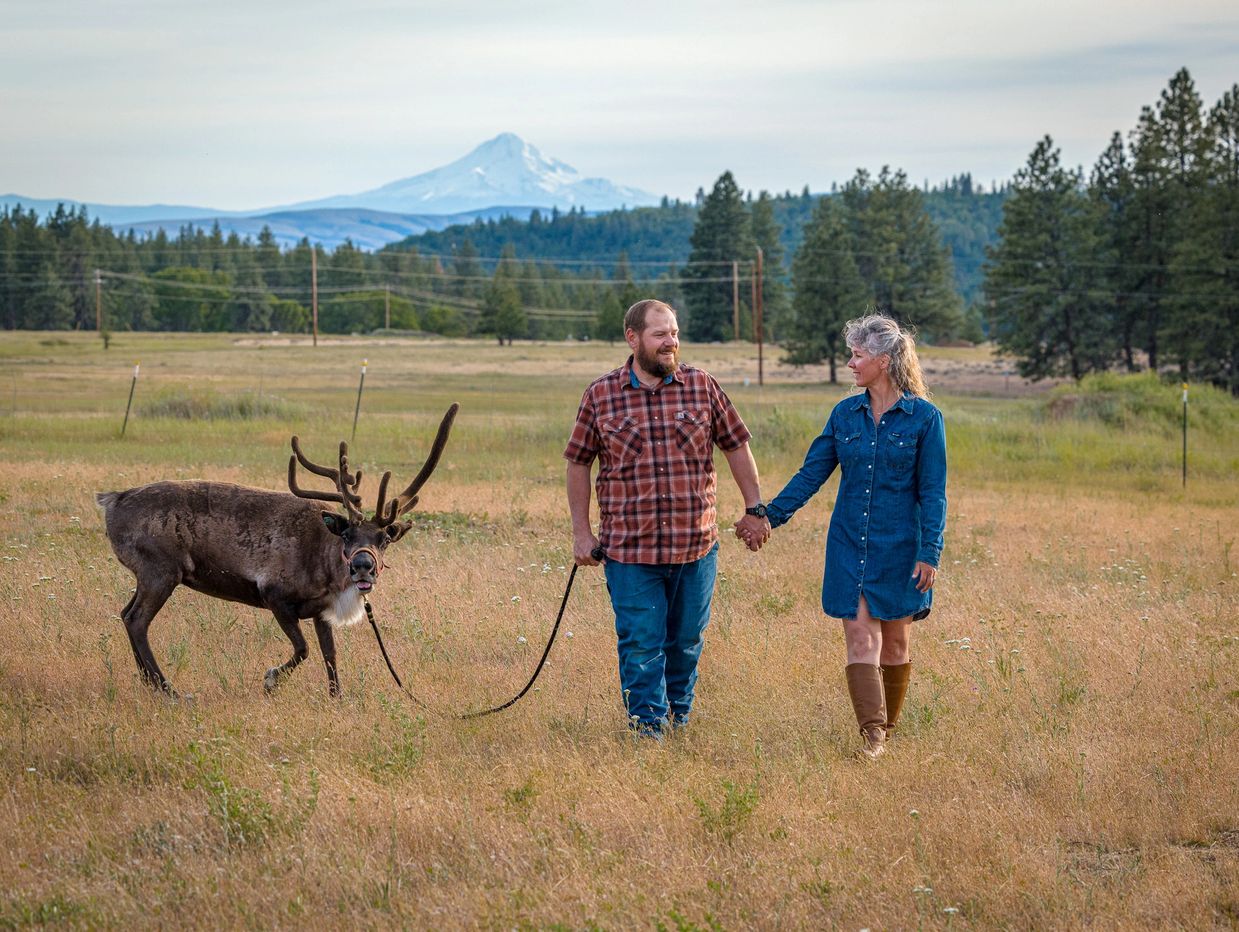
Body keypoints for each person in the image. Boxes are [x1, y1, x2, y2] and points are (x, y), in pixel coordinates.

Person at [736, 313, 946, 758]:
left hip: (902, 547)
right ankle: (872, 737)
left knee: (895, 641)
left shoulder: (925, 419)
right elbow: (811, 474)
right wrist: (768, 516)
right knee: (859, 635)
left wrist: (930, 552)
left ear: (884, 361)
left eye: (857, 355)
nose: (850, 363)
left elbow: (933, 492)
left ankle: (888, 727)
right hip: (850, 544)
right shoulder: (843, 415)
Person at [565, 299, 764, 736]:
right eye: (660, 334)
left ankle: (678, 721)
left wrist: (755, 508)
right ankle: (648, 732)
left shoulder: (702, 386)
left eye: (674, 333)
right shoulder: (600, 395)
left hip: (696, 548)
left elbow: (736, 445)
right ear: (632, 338)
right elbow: (578, 463)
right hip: (630, 550)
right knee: (640, 644)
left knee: (686, 644)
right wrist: (582, 534)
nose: (670, 342)